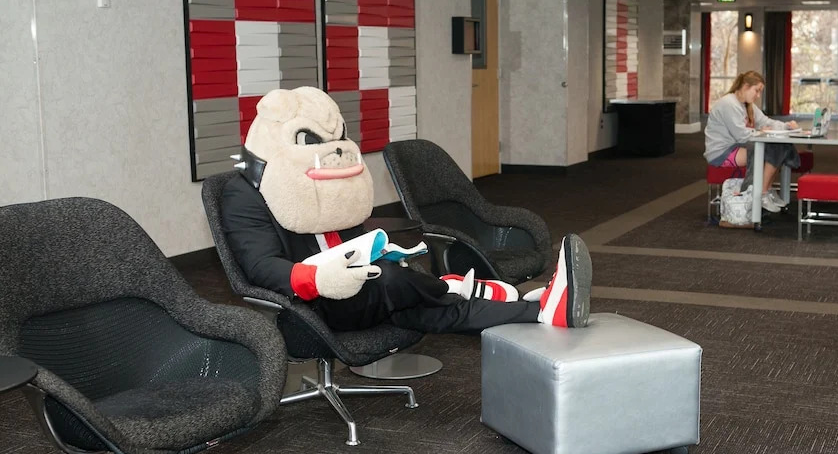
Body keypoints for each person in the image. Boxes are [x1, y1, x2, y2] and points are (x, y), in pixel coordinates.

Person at [221, 86, 593, 334]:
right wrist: (319, 279)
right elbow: (260, 267)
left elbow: (349, 236)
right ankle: (452, 287)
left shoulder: (324, 179)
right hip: (314, 305)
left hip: (363, 289)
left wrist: (379, 249)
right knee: (393, 280)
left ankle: (542, 312)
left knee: (437, 309)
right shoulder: (244, 194)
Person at [703, 70, 800, 213]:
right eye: (757, 90)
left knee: (781, 146)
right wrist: (761, 131)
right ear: (745, 86)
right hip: (721, 152)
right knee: (772, 149)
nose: (758, 95)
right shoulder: (729, 104)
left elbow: (765, 121)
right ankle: (762, 193)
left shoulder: (747, 105)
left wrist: (787, 126)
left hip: (736, 146)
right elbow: (741, 135)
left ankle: (766, 190)